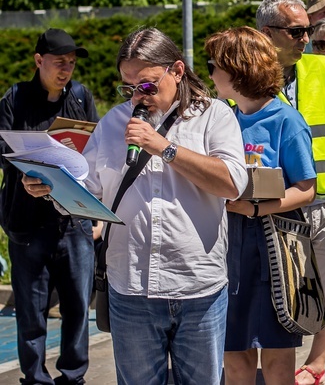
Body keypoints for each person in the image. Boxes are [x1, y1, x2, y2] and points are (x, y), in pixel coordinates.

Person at [23, 27, 249, 385]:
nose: (136, 98)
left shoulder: (214, 115)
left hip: (197, 288)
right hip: (131, 289)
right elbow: (90, 192)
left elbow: (234, 184)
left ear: (176, 71)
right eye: (127, 88)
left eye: (146, 86)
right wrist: (51, 188)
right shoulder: (113, 122)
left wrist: (164, 147)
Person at [204, 26, 317, 385]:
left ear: (238, 69)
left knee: (276, 360)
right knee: (233, 357)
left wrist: (255, 209)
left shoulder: (285, 120)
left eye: (213, 65)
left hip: (272, 251)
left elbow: (306, 189)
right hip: (225, 249)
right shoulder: (222, 118)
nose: (209, 73)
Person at [257, 0, 325, 385]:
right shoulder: (245, 78)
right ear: (267, 34)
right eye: (297, 31)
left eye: (309, 31)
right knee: (281, 309)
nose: (305, 38)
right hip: (276, 210)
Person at [0, 28, 98, 385]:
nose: (66, 69)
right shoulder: (15, 97)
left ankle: (73, 377)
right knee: (31, 312)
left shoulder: (81, 96)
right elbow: (2, 151)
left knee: (76, 308)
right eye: (59, 62)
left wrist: (96, 211)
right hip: (27, 224)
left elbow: (95, 152)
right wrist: (22, 173)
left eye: (71, 63)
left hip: (73, 221)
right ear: (39, 61)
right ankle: (35, 379)